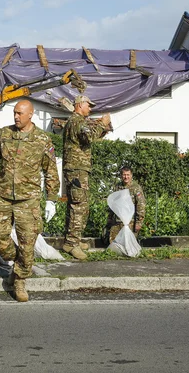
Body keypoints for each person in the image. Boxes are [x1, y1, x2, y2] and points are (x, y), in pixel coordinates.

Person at [0, 100, 60, 302]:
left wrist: (52, 199)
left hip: (28, 199)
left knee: (27, 242)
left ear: (30, 114)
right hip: (3, 194)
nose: (16, 116)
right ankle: (16, 261)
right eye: (14, 113)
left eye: (20, 113)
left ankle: (20, 280)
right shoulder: (4, 134)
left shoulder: (42, 139)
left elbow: (51, 171)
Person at [62, 95, 111, 260]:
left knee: (76, 205)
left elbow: (88, 138)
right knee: (78, 206)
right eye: (88, 106)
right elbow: (88, 137)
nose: (90, 109)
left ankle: (72, 240)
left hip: (76, 169)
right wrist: (102, 124)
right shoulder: (77, 121)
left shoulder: (76, 122)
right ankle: (72, 244)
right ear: (80, 105)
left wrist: (102, 129)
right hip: (76, 170)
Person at [105, 166, 146, 244]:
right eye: (124, 175)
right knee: (113, 243)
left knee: (129, 244)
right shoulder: (117, 187)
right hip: (117, 221)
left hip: (131, 221)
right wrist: (109, 218)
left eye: (128, 175)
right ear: (121, 176)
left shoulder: (136, 188)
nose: (126, 177)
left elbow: (141, 205)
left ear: (131, 175)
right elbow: (113, 204)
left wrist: (139, 222)